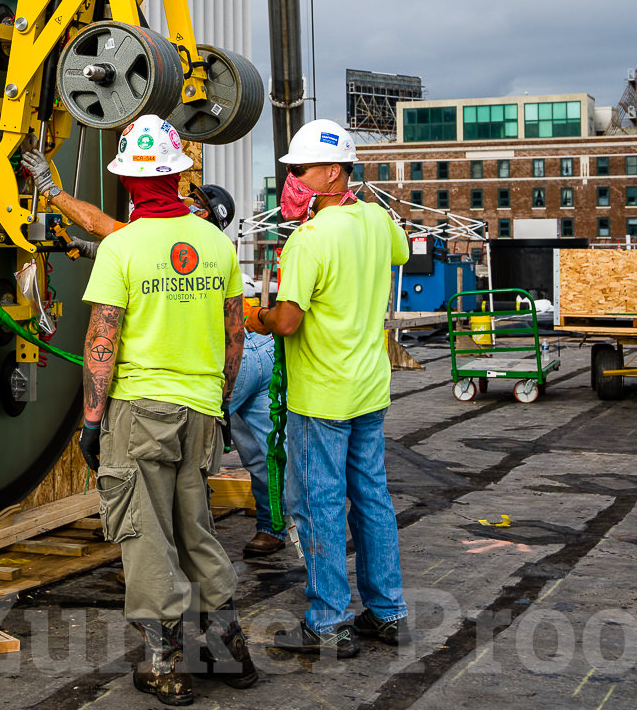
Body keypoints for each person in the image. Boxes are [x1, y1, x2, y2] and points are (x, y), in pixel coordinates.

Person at [21, 147, 286, 559]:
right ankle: (270, 529)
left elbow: (107, 231)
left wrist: (52, 191)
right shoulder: (213, 243)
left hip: (188, 376)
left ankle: (157, 573)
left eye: (197, 200)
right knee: (253, 455)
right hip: (242, 356)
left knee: (151, 494)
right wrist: (222, 406)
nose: (189, 201)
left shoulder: (172, 229)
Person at [76, 115, 257, 705]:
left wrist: (92, 419)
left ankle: (163, 662)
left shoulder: (121, 248)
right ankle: (228, 644)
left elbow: (102, 340)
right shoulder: (213, 243)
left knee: (145, 532)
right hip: (201, 408)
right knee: (194, 526)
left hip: (139, 410)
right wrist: (221, 401)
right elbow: (234, 337)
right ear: (180, 175)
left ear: (128, 182)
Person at [248, 118, 411, 658]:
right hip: (369, 385)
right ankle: (387, 613)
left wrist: (255, 316)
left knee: (318, 502)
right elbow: (400, 254)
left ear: (335, 171)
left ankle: (328, 621)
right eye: (292, 170)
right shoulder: (376, 219)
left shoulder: (310, 240)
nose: (293, 178)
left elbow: (289, 322)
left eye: (302, 170)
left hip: (322, 394)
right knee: (371, 497)